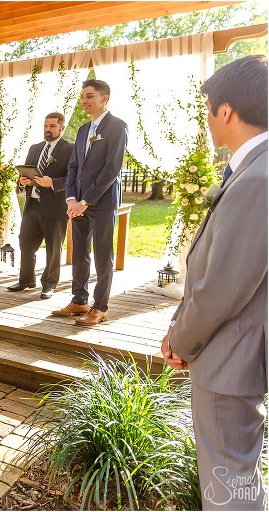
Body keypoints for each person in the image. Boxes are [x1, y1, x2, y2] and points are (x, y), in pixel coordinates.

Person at [162, 55, 267, 511]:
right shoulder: (253, 169)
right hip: (232, 352)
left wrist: (180, 340)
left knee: (231, 489)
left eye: (208, 108)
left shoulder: (257, 180)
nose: (206, 119)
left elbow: (223, 288)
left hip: (230, 357)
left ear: (227, 112)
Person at [52, 79, 128, 326]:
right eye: (83, 96)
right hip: (78, 204)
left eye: (89, 96)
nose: (84, 100)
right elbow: (74, 166)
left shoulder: (118, 127)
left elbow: (111, 169)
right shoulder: (83, 130)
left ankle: (101, 307)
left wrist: (86, 200)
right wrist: (72, 198)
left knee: (103, 255)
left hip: (102, 202)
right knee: (80, 252)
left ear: (104, 99)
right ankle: (79, 300)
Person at [7, 112, 74, 299]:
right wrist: (23, 182)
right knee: (25, 243)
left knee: (54, 249)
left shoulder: (71, 149)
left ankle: (49, 284)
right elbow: (25, 174)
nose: (48, 130)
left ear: (62, 127)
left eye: (52, 126)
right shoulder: (35, 148)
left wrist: (52, 182)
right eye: (46, 126)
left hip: (55, 207)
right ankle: (26, 280)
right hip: (32, 206)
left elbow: (73, 178)